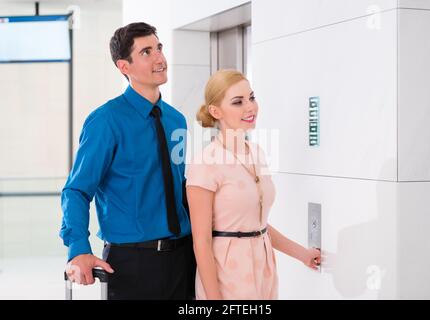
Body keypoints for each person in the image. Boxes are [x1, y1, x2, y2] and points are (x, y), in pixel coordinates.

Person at [60, 22, 195, 300]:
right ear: (124, 66)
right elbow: (77, 190)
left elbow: (179, 186)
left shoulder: (176, 120)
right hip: (133, 264)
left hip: (183, 259)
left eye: (159, 47)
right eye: (146, 52)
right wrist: (79, 248)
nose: (159, 57)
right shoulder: (105, 121)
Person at [186, 69, 321, 300]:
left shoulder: (258, 154)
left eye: (251, 97)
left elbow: (258, 226)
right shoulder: (205, 163)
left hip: (263, 267)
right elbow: (201, 242)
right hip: (226, 273)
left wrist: (302, 254)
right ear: (215, 111)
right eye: (238, 102)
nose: (250, 107)